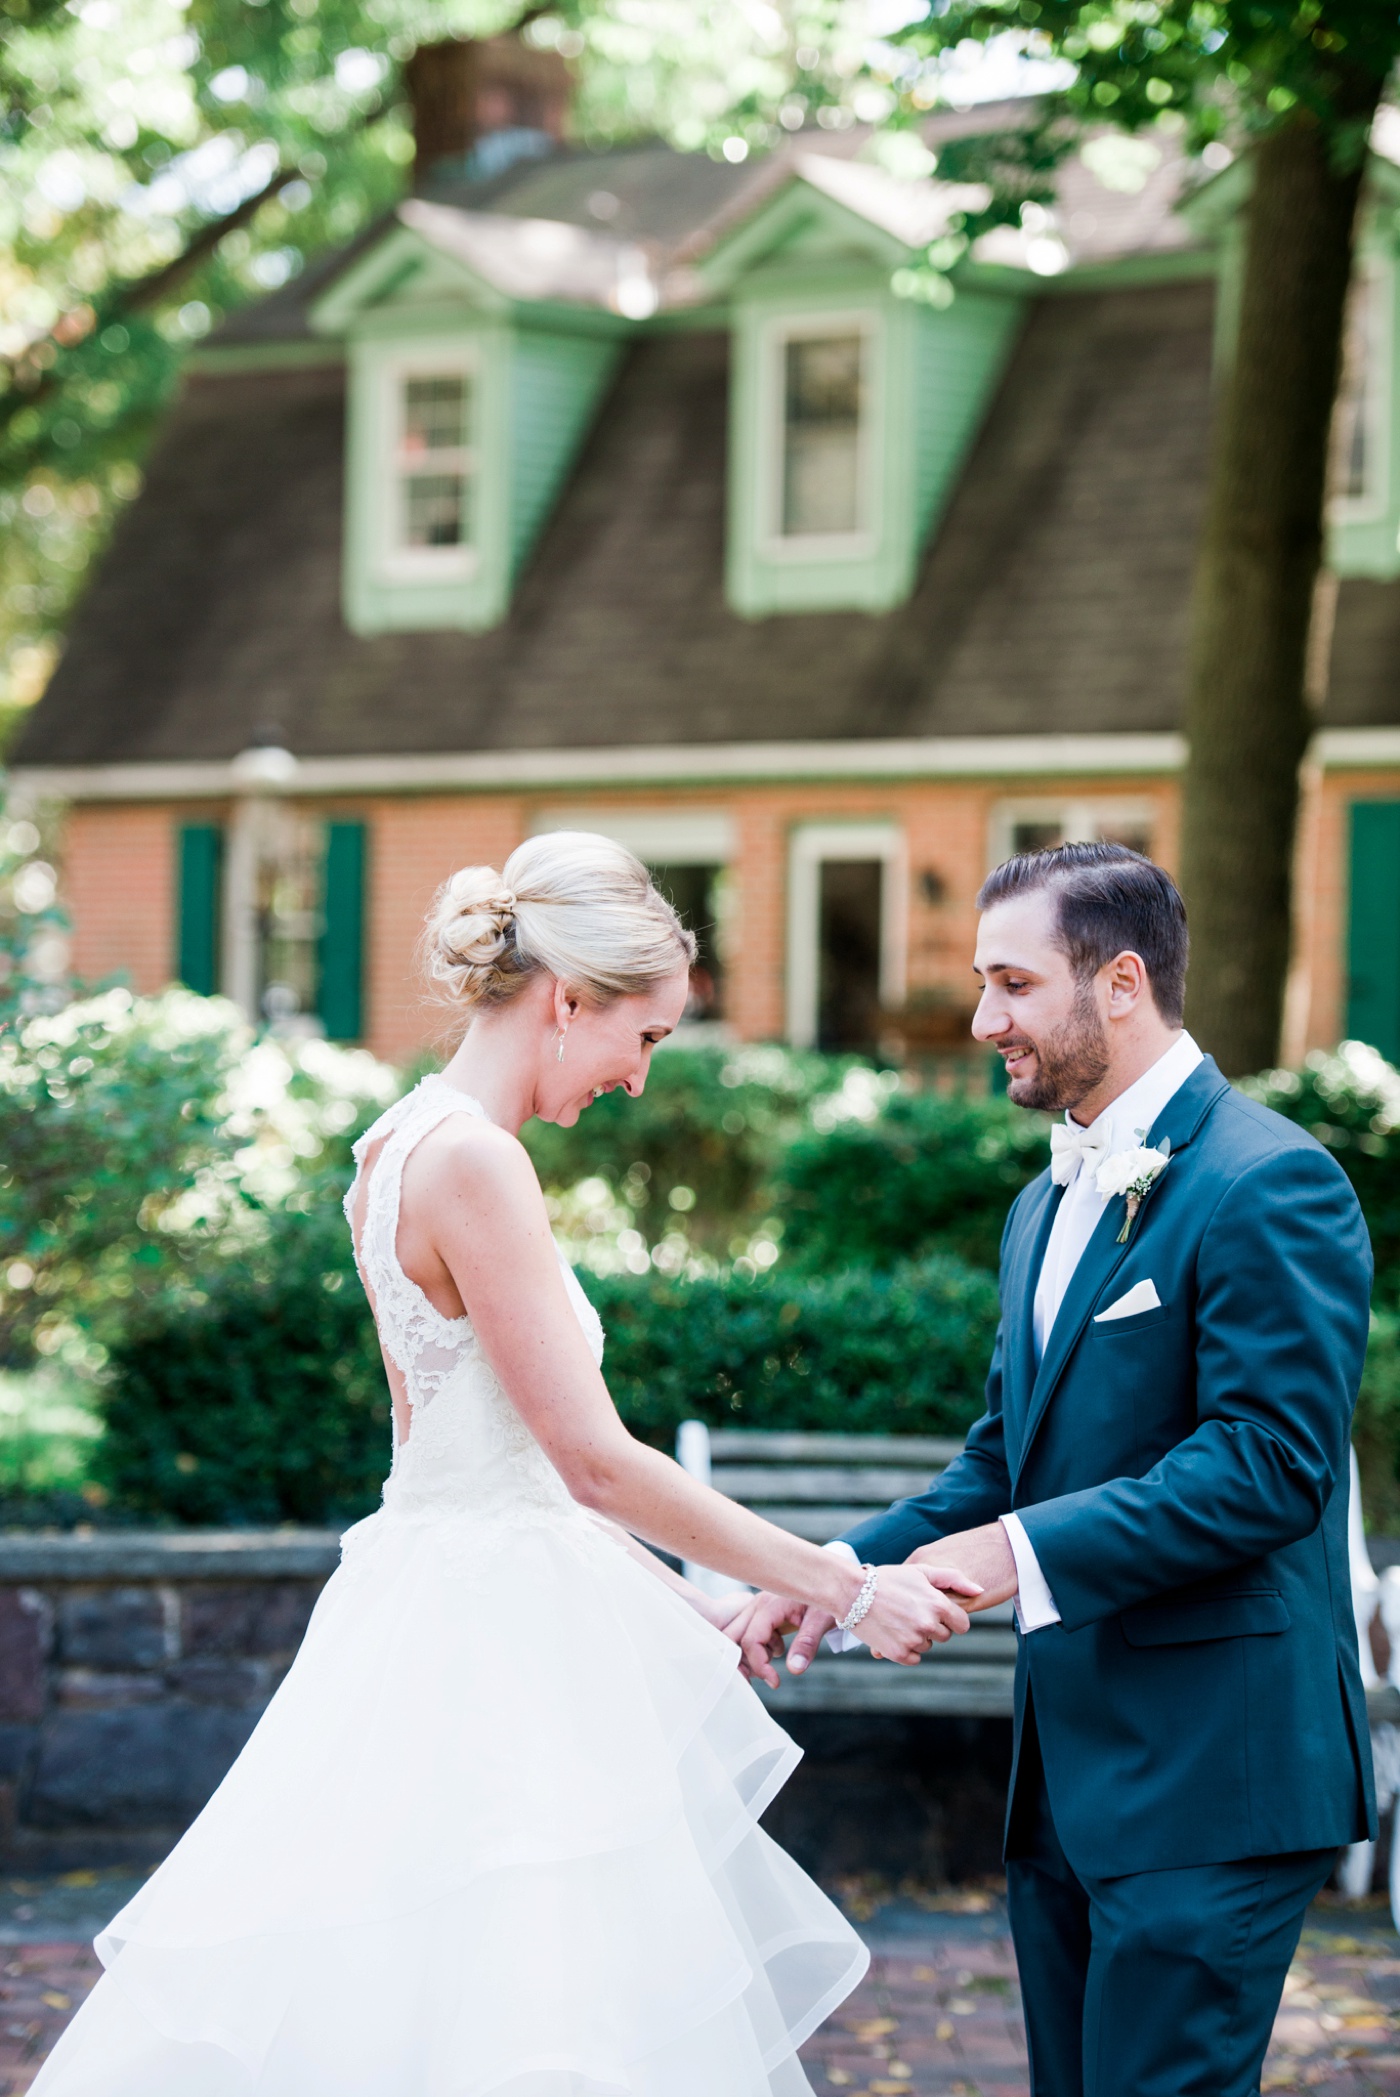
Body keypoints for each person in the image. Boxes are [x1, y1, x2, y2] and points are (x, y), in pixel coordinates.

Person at [32, 832, 976, 2097]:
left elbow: (490, 1472)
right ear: (566, 998)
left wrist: (690, 1608)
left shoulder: (392, 1147)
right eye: (643, 1040)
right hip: (485, 1662)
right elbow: (590, 1463)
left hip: (445, 1601)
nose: (643, 1081)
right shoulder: (477, 1160)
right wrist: (847, 1583)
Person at [737, 842, 1376, 2097]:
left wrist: (1011, 1555)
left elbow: (1268, 1465)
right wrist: (828, 1570)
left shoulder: (1271, 1181)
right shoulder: (1040, 1204)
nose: (983, 1022)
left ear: (1121, 981)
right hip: (1068, 1781)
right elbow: (1003, 1458)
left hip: (1214, 1776)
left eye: (1013, 986)